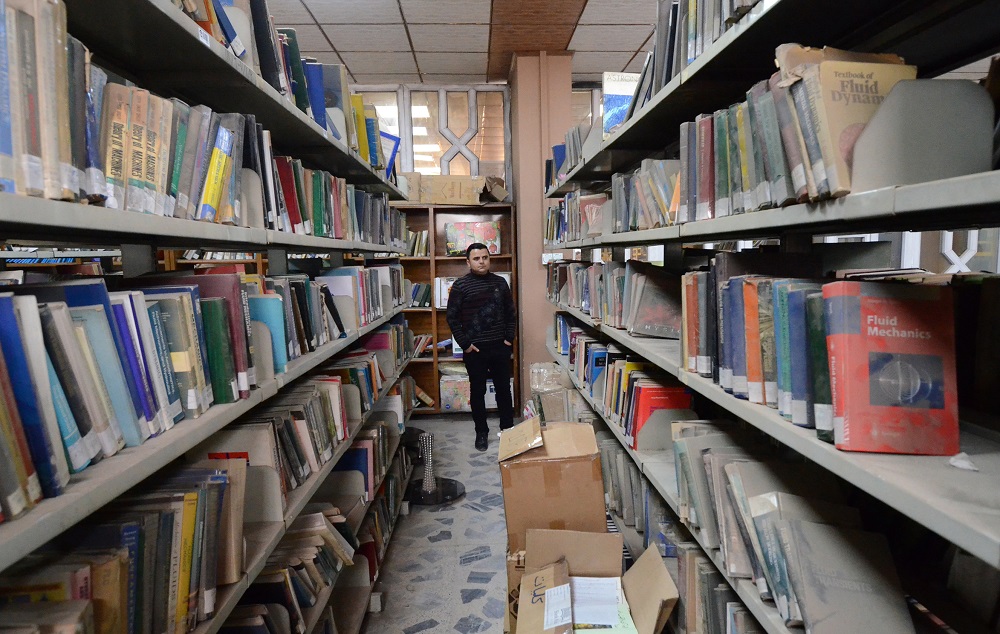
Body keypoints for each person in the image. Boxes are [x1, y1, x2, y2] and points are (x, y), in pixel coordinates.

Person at [446, 242, 516, 451]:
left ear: (489, 259)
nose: (481, 262)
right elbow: (452, 318)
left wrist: (508, 339)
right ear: (468, 262)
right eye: (476, 259)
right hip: (475, 350)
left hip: (499, 347)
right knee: (477, 392)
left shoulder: (500, 283)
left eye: (485, 257)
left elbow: (510, 313)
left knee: (504, 390)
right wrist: (465, 344)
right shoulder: (460, 286)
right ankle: (481, 433)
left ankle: (508, 430)